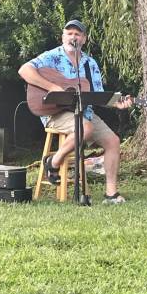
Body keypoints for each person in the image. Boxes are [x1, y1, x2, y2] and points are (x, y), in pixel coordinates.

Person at [18, 19, 132, 204]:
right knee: (85, 129)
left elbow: (97, 95)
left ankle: (111, 194)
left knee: (113, 141)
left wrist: (116, 103)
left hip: (83, 112)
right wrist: (52, 86)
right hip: (54, 112)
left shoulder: (90, 64)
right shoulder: (52, 56)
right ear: (63, 37)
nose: (73, 37)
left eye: (77, 34)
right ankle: (53, 162)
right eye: (69, 33)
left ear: (84, 39)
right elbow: (24, 70)